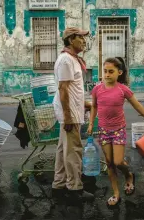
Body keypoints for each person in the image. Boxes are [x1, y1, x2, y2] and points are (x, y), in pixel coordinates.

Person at [87, 57, 144, 207]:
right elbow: (93, 106)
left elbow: (137, 105)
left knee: (118, 161)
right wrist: (90, 124)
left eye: (111, 72)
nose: (107, 75)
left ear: (119, 72)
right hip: (103, 130)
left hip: (118, 130)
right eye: (105, 71)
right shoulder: (97, 89)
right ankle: (116, 193)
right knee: (109, 163)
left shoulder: (122, 89)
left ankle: (129, 175)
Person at [52, 27, 94, 203]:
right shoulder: (66, 60)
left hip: (73, 110)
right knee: (73, 151)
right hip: (69, 113)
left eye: (85, 38)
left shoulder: (73, 59)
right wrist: (68, 116)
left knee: (64, 149)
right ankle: (74, 188)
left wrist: (87, 104)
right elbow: (63, 89)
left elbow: (73, 89)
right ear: (70, 40)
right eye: (80, 38)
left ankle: (59, 183)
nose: (84, 41)